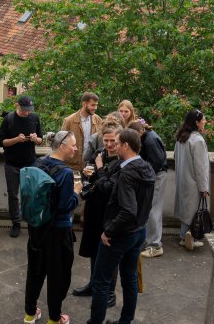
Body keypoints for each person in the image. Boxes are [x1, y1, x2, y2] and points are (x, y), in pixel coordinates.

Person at [87, 128, 155, 324]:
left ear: (126, 145)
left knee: (100, 282)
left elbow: (128, 210)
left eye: (116, 142)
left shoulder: (127, 173)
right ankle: (125, 321)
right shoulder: (146, 167)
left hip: (120, 235)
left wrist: (109, 231)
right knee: (129, 278)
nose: (112, 146)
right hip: (138, 232)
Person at [23, 131, 82, 324]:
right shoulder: (65, 173)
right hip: (58, 231)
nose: (76, 148)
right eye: (73, 145)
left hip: (37, 227)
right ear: (62, 146)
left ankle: (30, 314)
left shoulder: (38, 163)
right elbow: (65, 206)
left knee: (35, 271)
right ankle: (54, 319)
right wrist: (77, 193)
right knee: (58, 275)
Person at [72, 126, 121, 307]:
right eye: (106, 140)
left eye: (112, 141)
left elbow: (108, 187)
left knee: (109, 251)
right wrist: (87, 175)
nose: (108, 144)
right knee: (94, 248)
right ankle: (94, 285)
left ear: (119, 140)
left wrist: (99, 169)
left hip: (110, 210)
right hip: (94, 207)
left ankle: (109, 292)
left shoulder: (122, 160)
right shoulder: (100, 153)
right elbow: (91, 175)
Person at [0, 95, 43, 238]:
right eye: (24, 110)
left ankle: (31, 221)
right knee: (13, 195)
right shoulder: (8, 119)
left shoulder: (34, 118)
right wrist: (17, 139)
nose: (27, 112)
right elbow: (2, 142)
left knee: (30, 194)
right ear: (17, 106)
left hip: (30, 163)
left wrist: (36, 139)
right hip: (12, 164)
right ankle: (16, 223)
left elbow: (41, 140)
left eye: (29, 110)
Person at [129, 121, 169, 258]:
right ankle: (150, 241)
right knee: (150, 208)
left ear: (140, 132)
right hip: (154, 176)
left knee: (153, 209)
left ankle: (155, 245)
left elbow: (158, 161)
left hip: (156, 177)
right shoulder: (148, 137)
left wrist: (144, 176)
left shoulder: (150, 140)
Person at [174, 109, 210, 250]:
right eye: (203, 119)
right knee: (194, 211)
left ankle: (185, 235)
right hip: (194, 182)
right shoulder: (198, 140)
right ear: (197, 122)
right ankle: (188, 237)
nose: (205, 121)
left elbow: (177, 159)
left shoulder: (181, 137)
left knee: (186, 209)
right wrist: (204, 188)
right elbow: (200, 167)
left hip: (183, 179)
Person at [61, 92, 103, 171]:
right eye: (93, 105)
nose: (95, 108)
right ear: (84, 104)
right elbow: (61, 142)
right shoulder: (69, 121)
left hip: (91, 166)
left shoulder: (98, 120)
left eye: (96, 105)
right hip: (72, 167)